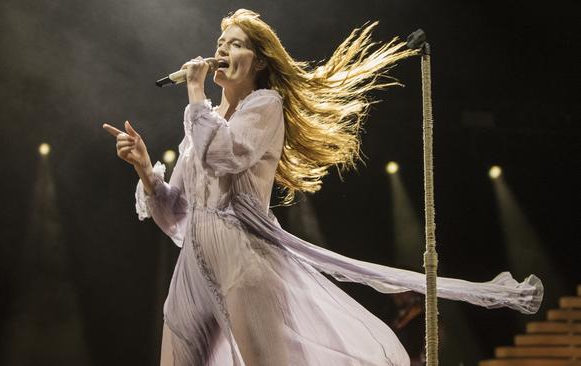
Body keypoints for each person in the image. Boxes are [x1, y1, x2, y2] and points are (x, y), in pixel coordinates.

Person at [103, 9, 543, 366]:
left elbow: (224, 157)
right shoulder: (198, 123)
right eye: (220, 45)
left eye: (235, 44)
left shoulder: (264, 105)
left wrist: (196, 94)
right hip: (192, 269)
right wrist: (145, 168)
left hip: (243, 260)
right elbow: (175, 215)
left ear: (258, 61)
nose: (221, 52)